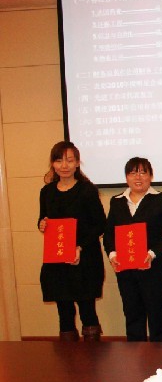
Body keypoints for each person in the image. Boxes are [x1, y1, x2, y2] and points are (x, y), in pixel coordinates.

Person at [102, 157, 162, 342]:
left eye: (143, 172)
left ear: (151, 176)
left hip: (153, 269)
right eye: (132, 173)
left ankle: (161, 356)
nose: (138, 177)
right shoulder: (117, 201)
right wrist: (112, 255)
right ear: (126, 177)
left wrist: (152, 254)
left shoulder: (161, 200)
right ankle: (135, 357)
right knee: (132, 317)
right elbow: (108, 234)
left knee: (158, 317)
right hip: (125, 271)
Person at [38, 141, 106, 341]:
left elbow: (100, 224)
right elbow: (43, 219)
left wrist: (79, 247)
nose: (64, 165)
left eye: (69, 160)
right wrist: (42, 224)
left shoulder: (87, 190)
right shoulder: (47, 192)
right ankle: (68, 357)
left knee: (87, 310)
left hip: (84, 259)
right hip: (57, 260)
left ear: (77, 163)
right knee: (64, 312)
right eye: (59, 160)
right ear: (53, 164)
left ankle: (92, 356)